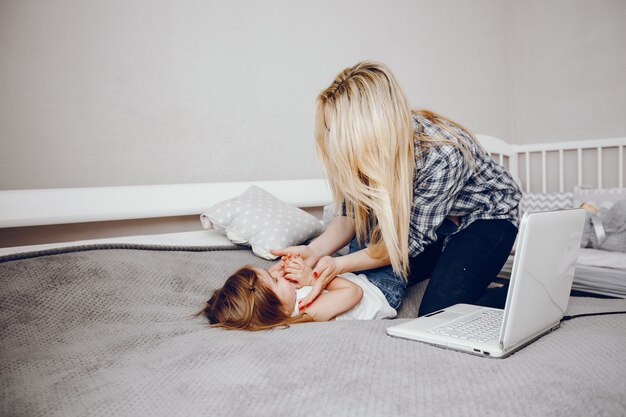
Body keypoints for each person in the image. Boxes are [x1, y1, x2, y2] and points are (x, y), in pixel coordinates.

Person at [271, 61, 522, 317]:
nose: (336, 143)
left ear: (369, 129)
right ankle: (449, 262)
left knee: (436, 314)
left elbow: (404, 246)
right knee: (369, 277)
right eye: (330, 131)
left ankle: (523, 294)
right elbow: (347, 221)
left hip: (486, 215)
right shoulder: (354, 153)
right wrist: (313, 251)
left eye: (342, 134)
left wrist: (338, 264)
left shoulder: (443, 154)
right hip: (433, 223)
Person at [197, 256, 396, 331]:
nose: (278, 273)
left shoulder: (286, 302)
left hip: (357, 275)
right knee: (389, 241)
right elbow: (353, 292)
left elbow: (270, 285)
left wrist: (283, 270)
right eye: (275, 279)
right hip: (380, 287)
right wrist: (310, 278)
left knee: (365, 229)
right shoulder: (308, 313)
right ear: (277, 309)